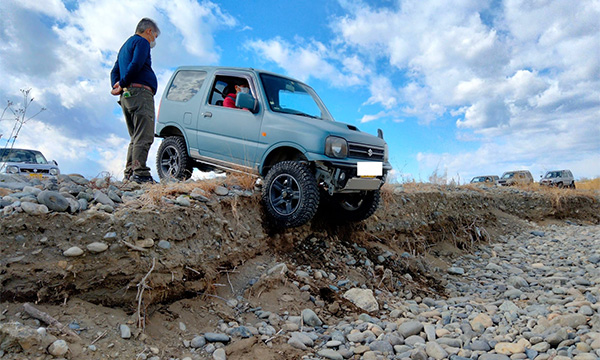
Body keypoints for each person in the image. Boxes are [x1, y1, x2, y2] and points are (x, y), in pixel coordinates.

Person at [110, 18, 160, 184]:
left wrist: (117, 86)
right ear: (149, 31)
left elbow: (114, 71)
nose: (154, 40)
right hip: (140, 93)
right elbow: (137, 63)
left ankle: (130, 173)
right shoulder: (142, 42)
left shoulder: (125, 46)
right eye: (155, 36)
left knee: (135, 136)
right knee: (144, 135)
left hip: (126, 96)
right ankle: (140, 173)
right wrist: (123, 83)